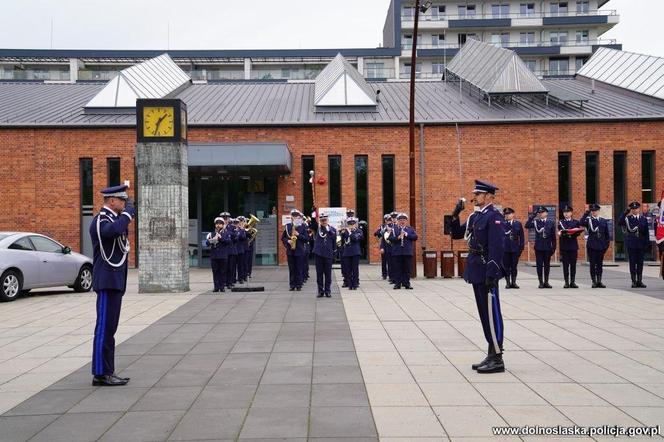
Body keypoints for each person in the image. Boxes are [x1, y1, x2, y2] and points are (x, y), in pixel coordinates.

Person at [450, 180, 505, 374]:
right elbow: (456, 234)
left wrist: (493, 272)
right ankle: (491, 352)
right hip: (476, 270)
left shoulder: (494, 217)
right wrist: (456, 214)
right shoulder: (476, 216)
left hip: (486, 271)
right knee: (484, 314)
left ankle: (497, 357)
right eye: (475, 194)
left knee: (492, 313)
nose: (475, 197)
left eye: (479, 194)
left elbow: (497, 248)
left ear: (489, 196)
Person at [89, 184, 134, 386]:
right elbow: (113, 232)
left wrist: (125, 217)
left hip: (115, 281)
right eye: (122, 201)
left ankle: (108, 370)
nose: (125, 204)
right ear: (112, 201)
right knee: (104, 328)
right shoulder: (101, 220)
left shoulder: (114, 219)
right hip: (107, 281)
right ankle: (100, 373)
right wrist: (128, 215)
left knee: (111, 329)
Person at [580, 203, 612, 288]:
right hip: (592, 246)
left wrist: (606, 246)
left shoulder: (603, 221)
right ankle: (594, 281)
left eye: (595, 211)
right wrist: (586, 213)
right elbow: (581, 223)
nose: (594, 212)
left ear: (598, 211)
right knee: (592, 264)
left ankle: (599, 281)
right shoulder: (588, 220)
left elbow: (607, 235)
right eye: (592, 211)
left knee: (599, 265)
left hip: (601, 246)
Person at [619, 201, 650, 288]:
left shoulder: (643, 219)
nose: (635, 210)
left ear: (639, 209)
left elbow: (646, 232)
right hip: (632, 243)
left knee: (640, 263)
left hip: (641, 243)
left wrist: (647, 244)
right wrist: (626, 212)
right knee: (632, 262)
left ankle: (639, 281)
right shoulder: (628, 218)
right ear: (631, 210)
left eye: (636, 208)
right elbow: (620, 222)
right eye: (633, 209)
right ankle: (634, 281)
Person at [525, 206, 556, 289]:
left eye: (542, 212)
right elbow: (527, 225)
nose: (540, 214)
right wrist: (533, 216)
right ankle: (540, 282)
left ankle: (546, 282)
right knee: (539, 265)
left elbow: (553, 236)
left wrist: (554, 248)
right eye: (539, 213)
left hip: (547, 247)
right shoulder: (536, 222)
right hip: (538, 247)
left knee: (547, 265)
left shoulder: (550, 222)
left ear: (546, 213)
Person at [281, 210, 310, 291]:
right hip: (290, 251)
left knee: (299, 268)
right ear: (291, 218)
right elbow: (283, 238)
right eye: (294, 217)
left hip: (300, 250)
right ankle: (292, 285)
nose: (295, 218)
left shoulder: (302, 226)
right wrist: (288, 241)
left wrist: (298, 235)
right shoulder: (287, 226)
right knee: (292, 268)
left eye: (297, 217)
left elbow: (306, 239)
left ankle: (299, 285)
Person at [389, 213, 418, 290]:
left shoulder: (410, 229)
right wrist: (398, 238)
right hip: (397, 252)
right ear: (398, 221)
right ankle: (397, 284)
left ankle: (406, 283)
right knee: (397, 269)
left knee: (407, 269)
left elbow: (415, 237)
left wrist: (406, 234)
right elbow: (390, 238)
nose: (402, 221)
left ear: (406, 221)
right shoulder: (394, 229)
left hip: (407, 252)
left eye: (404, 220)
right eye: (400, 220)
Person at [557, 206, 583, 289]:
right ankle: (566, 282)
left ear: (571, 213)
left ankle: (572, 282)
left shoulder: (576, 222)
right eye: (564, 212)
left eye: (568, 212)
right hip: (564, 246)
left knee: (573, 265)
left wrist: (573, 232)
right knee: (565, 265)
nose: (566, 214)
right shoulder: (560, 222)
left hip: (573, 246)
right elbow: (561, 231)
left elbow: (578, 232)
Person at [312, 212, 337, 297]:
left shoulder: (332, 229)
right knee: (319, 274)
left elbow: (334, 241)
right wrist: (313, 214)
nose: (324, 222)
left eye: (325, 220)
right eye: (322, 220)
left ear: (327, 220)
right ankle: (320, 291)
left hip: (328, 254)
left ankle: (328, 290)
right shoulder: (317, 228)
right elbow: (312, 224)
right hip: (319, 254)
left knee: (328, 274)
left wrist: (334, 253)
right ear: (320, 221)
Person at [206, 217, 231, 292]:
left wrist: (220, 238)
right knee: (215, 272)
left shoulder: (226, 233)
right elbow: (207, 243)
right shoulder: (211, 234)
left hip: (223, 256)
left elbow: (228, 242)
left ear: (223, 225)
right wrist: (212, 239)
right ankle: (216, 287)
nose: (218, 225)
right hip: (214, 256)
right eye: (217, 224)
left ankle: (222, 287)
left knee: (223, 272)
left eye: (220, 224)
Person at [502, 208, 524, 289]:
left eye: (509, 214)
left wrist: (521, 248)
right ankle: (508, 283)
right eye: (506, 214)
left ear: (513, 214)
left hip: (515, 249)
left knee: (514, 266)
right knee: (506, 266)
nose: (507, 215)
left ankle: (514, 282)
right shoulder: (502, 223)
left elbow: (521, 236)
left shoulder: (517, 224)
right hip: (505, 249)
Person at [341, 217, 363, 290]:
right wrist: (343, 233)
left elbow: (355, 239)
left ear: (355, 224)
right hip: (347, 252)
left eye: (352, 224)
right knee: (348, 269)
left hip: (355, 252)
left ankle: (355, 283)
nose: (351, 225)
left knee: (355, 268)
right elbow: (342, 241)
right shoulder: (345, 231)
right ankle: (350, 284)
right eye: (349, 224)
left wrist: (350, 233)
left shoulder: (359, 231)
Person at [340, 209, 355, 288]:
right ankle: (346, 280)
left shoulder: (355, 221)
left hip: (353, 245)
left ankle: (355, 281)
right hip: (345, 245)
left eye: (351, 214)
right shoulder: (343, 221)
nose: (350, 215)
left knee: (354, 266)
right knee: (345, 265)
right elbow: (341, 232)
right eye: (348, 214)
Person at [374, 214, 391, 280]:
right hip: (383, 245)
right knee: (384, 261)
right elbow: (376, 233)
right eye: (387, 220)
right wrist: (382, 231)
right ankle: (384, 274)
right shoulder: (382, 226)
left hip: (390, 245)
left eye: (389, 220)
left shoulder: (393, 226)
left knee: (390, 262)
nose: (388, 221)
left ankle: (390, 274)